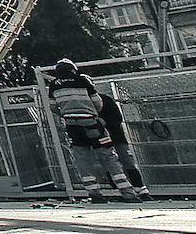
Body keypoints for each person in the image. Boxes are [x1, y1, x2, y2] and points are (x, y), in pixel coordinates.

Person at [47, 58, 141, 203]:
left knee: (83, 159)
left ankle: (94, 193)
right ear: (73, 69)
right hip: (92, 124)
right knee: (108, 156)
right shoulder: (83, 81)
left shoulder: (53, 85)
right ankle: (127, 192)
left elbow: (53, 107)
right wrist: (93, 115)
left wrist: (66, 115)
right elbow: (97, 101)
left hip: (72, 127)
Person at [98, 91, 152, 200]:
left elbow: (117, 117)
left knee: (127, 161)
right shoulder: (88, 103)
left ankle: (140, 188)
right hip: (103, 139)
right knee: (110, 164)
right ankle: (122, 190)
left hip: (115, 137)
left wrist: (103, 122)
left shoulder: (105, 100)